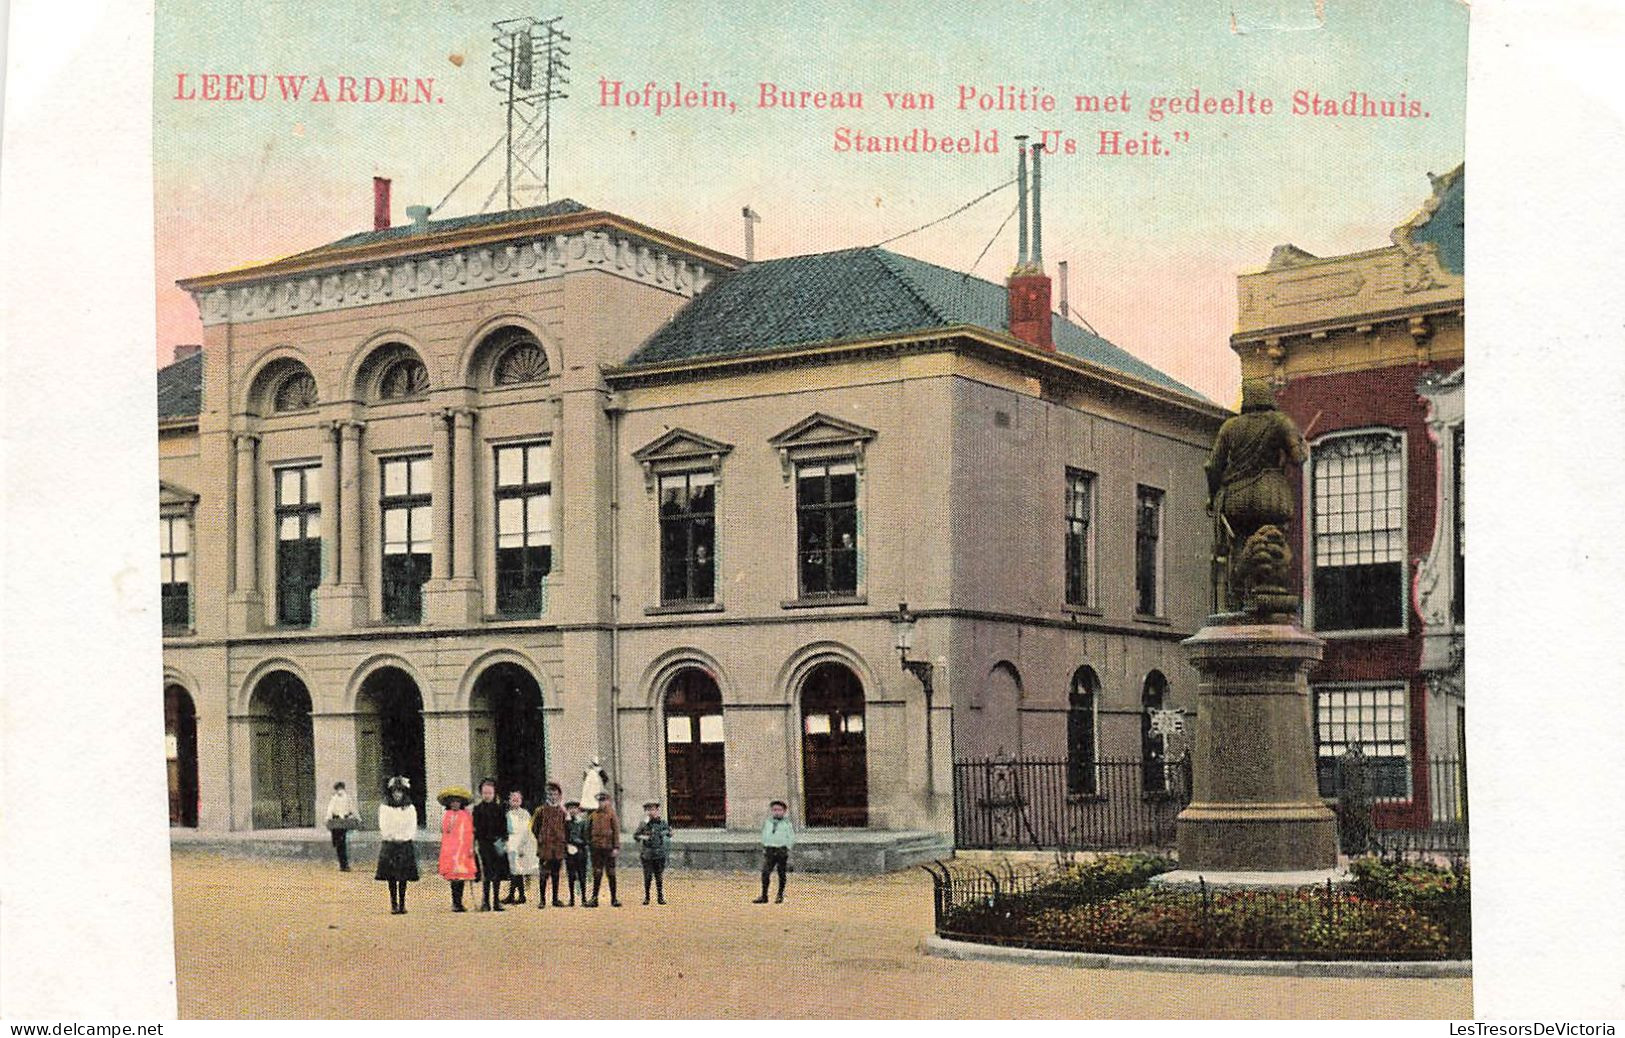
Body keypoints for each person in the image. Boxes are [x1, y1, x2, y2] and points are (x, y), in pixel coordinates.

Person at [374, 776, 419, 914]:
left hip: (404, 843)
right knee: (392, 876)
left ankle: (403, 903)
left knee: (403, 876)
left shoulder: (410, 808)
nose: (397, 794)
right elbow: (384, 825)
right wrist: (391, 836)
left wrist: (406, 837)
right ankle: (394, 903)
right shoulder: (385, 808)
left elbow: (412, 825)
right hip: (391, 844)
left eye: (400, 791)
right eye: (395, 791)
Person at [471, 778, 510, 912]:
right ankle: (485, 901)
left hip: (497, 843)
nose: (487, 795)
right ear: (481, 793)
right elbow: (475, 828)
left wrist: (504, 839)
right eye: (485, 793)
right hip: (484, 844)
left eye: (490, 793)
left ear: (494, 794)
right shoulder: (477, 809)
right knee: (486, 873)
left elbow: (504, 826)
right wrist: (474, 842)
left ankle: (496, 901)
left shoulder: (500, 809)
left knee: (497, 874)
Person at [436, 786, 477, 912]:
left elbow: (470, 832)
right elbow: (445, 831)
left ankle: (459, 901)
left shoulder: (466, 815)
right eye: (452, 802)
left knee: (461, 876)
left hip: (463, 849)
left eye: (457, 802)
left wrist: (471, 847)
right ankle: (455, 902)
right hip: (451, 850)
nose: (455, 804)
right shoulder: (447, 815)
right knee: (453, 877)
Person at [529, 782, 568, 908]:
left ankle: (555, 899)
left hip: (558, 847)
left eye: (555, 794)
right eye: (550, 794)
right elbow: (534, 827)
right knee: (543, 874)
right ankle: (542, 900)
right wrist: (541, 838)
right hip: (545, 847)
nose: (553, 797)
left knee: (556, 874)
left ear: (559, 796)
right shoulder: (540, 811)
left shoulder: (562, 812)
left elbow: (566, 828)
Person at [754, 799, 795, 904]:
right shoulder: (768, 822)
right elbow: (765, 834)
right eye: (774, 810)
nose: (777, 812)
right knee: (765, 872)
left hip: (781, 849)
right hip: (770, 850)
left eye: (779, 810)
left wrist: (787, 848)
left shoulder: (787, 824)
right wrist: (765, 845)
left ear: (784, 811)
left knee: (781, 873)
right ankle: (764, 895)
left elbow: (790, 837)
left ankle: (780, 895)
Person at [632, 800, 673, 906]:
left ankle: (660, 897)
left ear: (657, 811)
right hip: (647, 854)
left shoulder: (662, 823)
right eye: (648, 810)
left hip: (659, 854)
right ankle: (647, 897)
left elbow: (670, 832)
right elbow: (636, 836)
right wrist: (644, 836)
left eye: (653, 810)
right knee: (647, 877)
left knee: (659, 877)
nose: (651, 812)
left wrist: (665, 833)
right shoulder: (643, 824)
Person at [504, 789, 539, 905]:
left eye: (517, 798)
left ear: (521, 800)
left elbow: (526, 830)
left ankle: (514, 895)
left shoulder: (525, 814)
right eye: (512, 798)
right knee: (514, 871)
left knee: (518, 870)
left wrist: (523, 846)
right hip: (511, 843)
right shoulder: (508, 814)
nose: (515, 800)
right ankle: (519, 895)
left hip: (521, 843)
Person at [587, 791, 621, 907]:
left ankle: (614, 899)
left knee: (611, 873)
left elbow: (616, 831)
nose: (601, 803)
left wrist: (616, 847)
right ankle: (594, 898)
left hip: (609, 848)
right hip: (596, 848)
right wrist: (590, 844)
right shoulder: (593, 815)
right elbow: (588, 831)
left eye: (604, 801)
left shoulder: (612, 815)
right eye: (599, 801)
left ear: (608, 801)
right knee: (597, 873)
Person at [323, 780, 358, 871]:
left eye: (340, 788)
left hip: (341, 822)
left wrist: (357, 818)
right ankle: (343, 864)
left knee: (341, 844)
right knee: (340, 843)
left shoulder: (343, 798)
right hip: (339, 822)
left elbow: (352, 809)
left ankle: (344, 864)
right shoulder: (337, 798)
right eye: (339, 789)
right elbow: (330, 811)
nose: (340, 791)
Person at [562, 799, 590, 907]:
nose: (572, 811)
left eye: (574, 808)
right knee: (571, 876)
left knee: (582, 876)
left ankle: (583, 899)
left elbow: (586, 839)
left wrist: (575, 842)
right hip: (569, 853)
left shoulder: (583, 823)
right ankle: (572, 899)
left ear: (578, 810)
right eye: (570, 809)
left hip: (581, 853)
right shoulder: (567, 823)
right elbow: (564, 837)